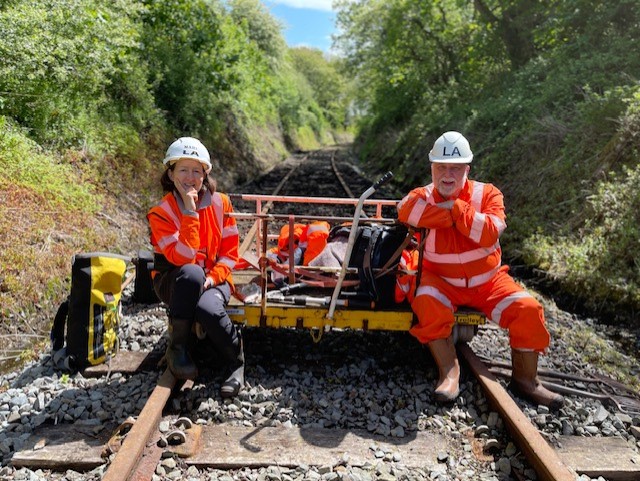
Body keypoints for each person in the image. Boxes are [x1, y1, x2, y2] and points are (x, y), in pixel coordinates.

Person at [397, 131, 564, 410]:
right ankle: (449, 373)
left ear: (467, 169)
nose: (447, 175)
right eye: (441, 168)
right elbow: (404, 210)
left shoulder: (487, 194)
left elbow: (489, 232)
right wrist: (451, 215)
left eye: (455, 168)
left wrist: (455, 208)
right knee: (426, 302)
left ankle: (526, 381)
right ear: (432, 168)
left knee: (528, 309)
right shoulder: (422, 195)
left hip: (488, 283)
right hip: (441, 281)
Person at [147, 137, 243, 398]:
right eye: (183, 170)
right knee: (192, 273)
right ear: (170, 174)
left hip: (213, 279)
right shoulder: (161, 212)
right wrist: (190, 213)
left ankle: (236, 363)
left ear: (205, 175)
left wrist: (213, 279)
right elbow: (183, 257)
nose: (190, 178)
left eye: (196, 171)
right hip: (175, 281)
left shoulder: (221, 203)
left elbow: (230, 254)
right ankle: (177, 348)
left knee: (208, 309)